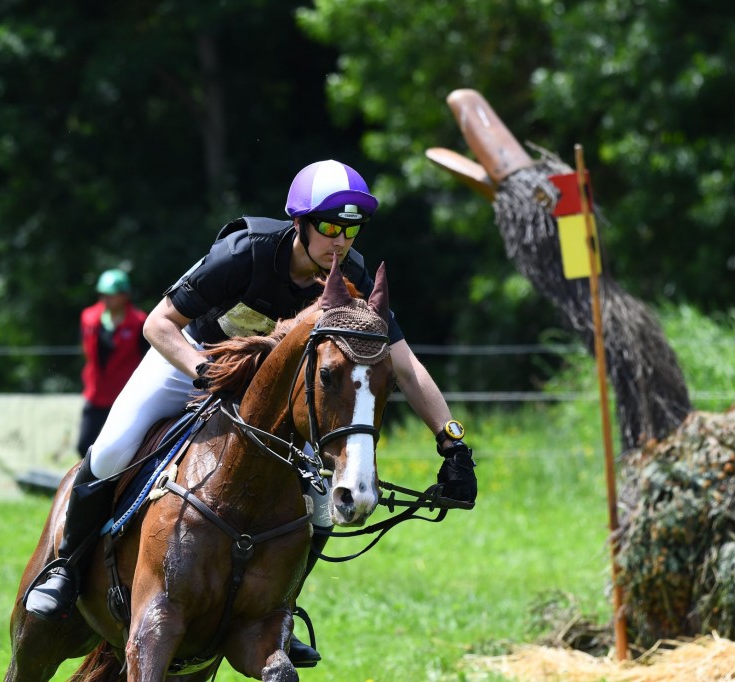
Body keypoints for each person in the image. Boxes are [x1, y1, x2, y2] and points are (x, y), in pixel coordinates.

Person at [25, 160, 478, 667]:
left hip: (272, 395)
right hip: (192, 359)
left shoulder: (349, 279)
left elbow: (405, 364)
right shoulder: (246, 253)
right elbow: (158, 324)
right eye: (329, 226)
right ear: (299, 223)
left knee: (320, 503)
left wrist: (451, 438)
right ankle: (65, 568)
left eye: (351, 229)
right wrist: (204, 370)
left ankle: (276, 612)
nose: (341, 241)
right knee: (110, 451)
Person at [76, 268, 149, 459]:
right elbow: (85, 349)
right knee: (84, 445)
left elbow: (145, 358)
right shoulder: (88, 317)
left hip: (124, 395)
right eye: (102, 294)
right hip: (95, 393)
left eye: (111, 295)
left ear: (125, 296)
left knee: (121, 448)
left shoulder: (140, 322)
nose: (105, 299)